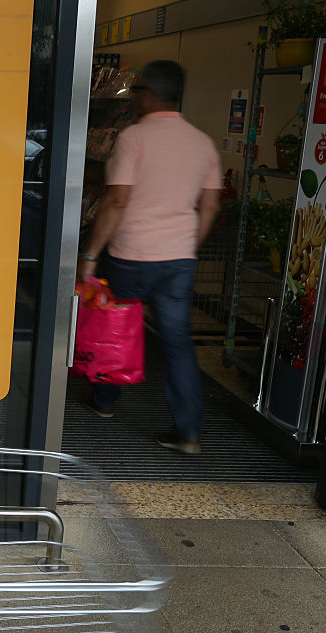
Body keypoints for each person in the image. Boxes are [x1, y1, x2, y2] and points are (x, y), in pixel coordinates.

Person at [76, 59, 222, 455]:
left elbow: (117, 200)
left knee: (116, 325)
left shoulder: (134, 138)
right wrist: (187, 245)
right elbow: (210, 206)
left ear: (150, 94)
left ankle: (105, 401)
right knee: (177, 342)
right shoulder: (202, 142)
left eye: (138, 90)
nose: (135, 97)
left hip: (131, 255)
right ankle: (188, 431)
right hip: (178, 260)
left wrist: (90, 254)